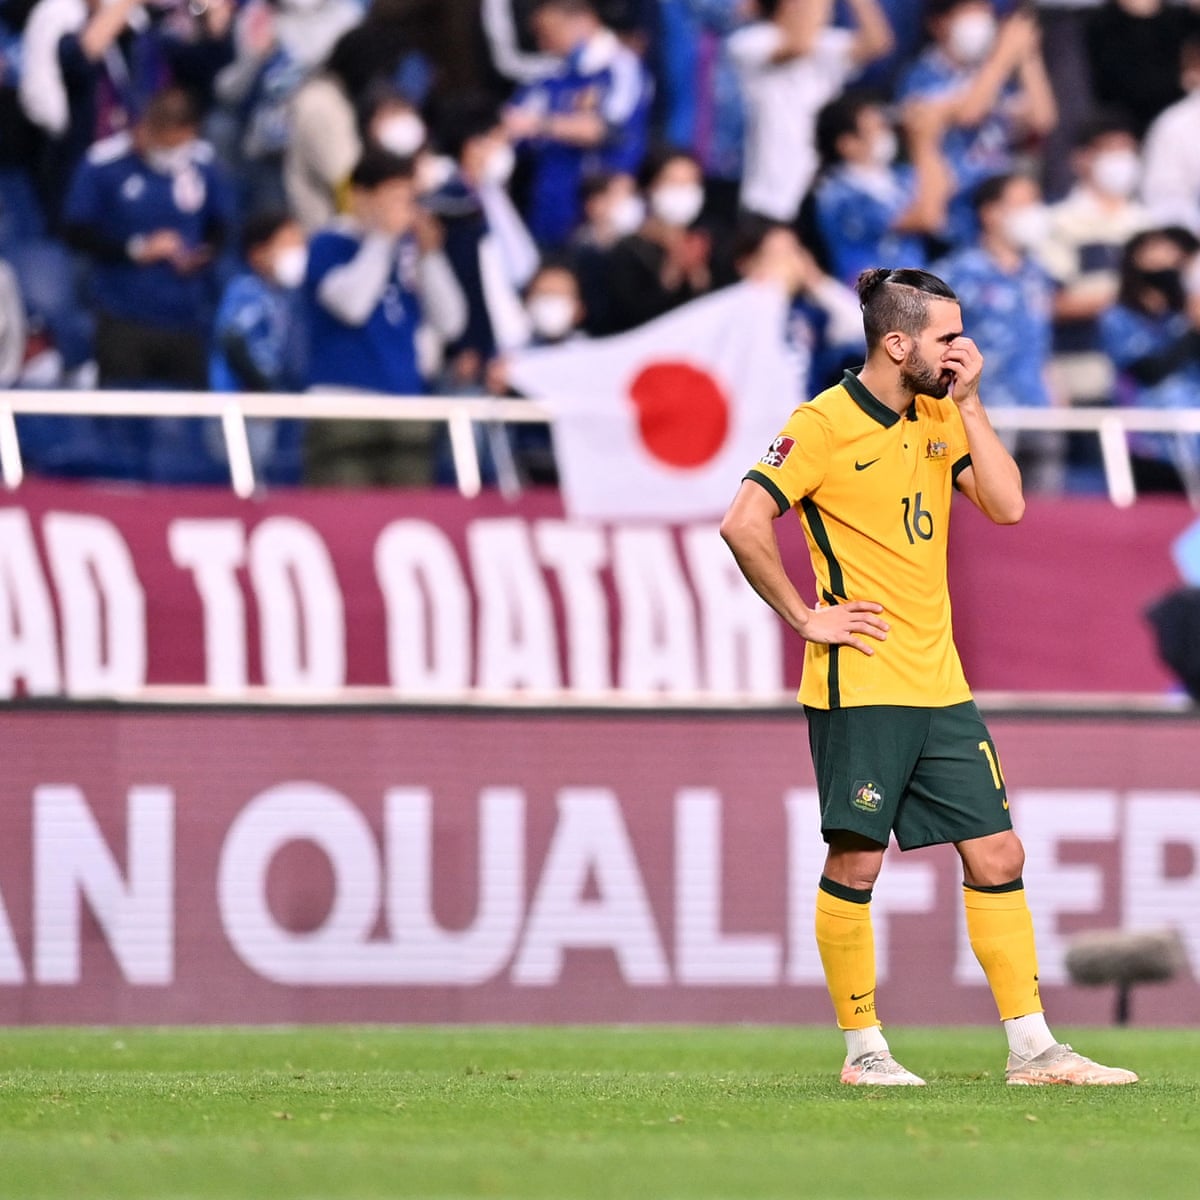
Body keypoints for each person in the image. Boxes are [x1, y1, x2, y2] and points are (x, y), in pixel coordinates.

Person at [719, 266, 1139, 1088]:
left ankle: (1033, 1049)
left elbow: (1009, 505)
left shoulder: (941, 410)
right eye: (948, 336)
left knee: (997, 851)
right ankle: (863, 1051)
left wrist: (972, 402)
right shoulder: (823, 424)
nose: (963, 349)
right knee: (858, 863)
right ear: (897, 341)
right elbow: (742, 520)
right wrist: (807, 617)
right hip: (865, 682)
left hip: (940, 682)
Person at [302, 148, 467, 486]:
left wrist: (431, 257)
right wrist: (382, 238)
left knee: (409, 521)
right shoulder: (329, 242)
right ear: (360, 195)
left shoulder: (412, 249)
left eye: (408, 199)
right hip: (343, 403)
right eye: (392, 198)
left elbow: (451, 323)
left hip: (406, 403)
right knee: (344, 519)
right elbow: (352, 306)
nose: (402, 210)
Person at [62, 85, 235, 389]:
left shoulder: (203, 164)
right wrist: (136, 249)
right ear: (146, 126)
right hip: (123, 316)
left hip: (187, 317)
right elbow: (76, 232)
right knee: (123, 419)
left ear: (190, 132)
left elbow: (220, 225)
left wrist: (202, 254)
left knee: (189, 422)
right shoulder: (103, 164)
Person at [933, 172, 1062, 491]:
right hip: (977, 413)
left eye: (1036, 202)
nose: (1034, 212)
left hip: (1037, 411)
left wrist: (1055, 395)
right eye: (1023, 203)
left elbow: (1040, 343)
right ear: (990, 213)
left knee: (1047, 521)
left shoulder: (1037, 272)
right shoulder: (957, 272)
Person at [897, 1, 1056, 245]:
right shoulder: (921, 74)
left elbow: (1042, 119)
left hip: (998, 205)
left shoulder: (994, 75)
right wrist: (1002, 56)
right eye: (969, 12)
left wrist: (1027, 56)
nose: (981, 21)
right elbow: (968, 114)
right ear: (938, 23)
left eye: (985, 12)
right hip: (953, 207)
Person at [730, 0, 894, 225]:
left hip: (817, 189)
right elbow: (799, 46)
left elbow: (878, 43)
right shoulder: (751, 41)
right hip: (769, 194)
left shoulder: (827, 43)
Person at [503, 0, 652, 248]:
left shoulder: (622, 66)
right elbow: (510, 125)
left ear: (583, 20)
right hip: (548, 215)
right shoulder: (550, 74)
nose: (543, 45)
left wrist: (541, 124)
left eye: (549, 34)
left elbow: (607, 128)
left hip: (602, 212)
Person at [209, 209, 308, 484]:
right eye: (288, 243)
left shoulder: (287, 298)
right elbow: (233, 342)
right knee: (241, 485)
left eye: (300, 243)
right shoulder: (247, 290)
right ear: (258, 253)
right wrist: (264, 390)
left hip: (268, 406)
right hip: (238, 406)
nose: (298, 252)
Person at [1099, 227, 1200, 497]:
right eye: (1156, 252)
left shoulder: (1181, 313)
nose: (1167, 259)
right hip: (1148, 442)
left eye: (1172, 253)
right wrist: (1191, 329)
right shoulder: (1118, 317)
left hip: (1193, 438)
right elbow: (1149, 371)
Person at [813, 91, 951, 287]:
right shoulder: (839, 194)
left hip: (913, 292)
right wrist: (923, 142)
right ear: (848, 144)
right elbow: (927, 217)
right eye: (876, 128)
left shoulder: (898, 176)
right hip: (874, 299)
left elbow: (943, 189)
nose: (886, 134)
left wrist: (930, 135)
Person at [602, 147, 715, 333]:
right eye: (673, 182)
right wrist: (670, 275)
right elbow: (628, 317)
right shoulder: (627, 251)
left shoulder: (710, 242)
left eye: (690, 183)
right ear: (651, 187)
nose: (683, 191)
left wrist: (698, 275)